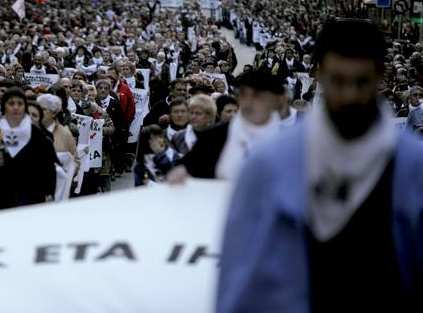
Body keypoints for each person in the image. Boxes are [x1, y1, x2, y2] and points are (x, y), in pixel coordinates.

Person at [217, 20, 423, 313]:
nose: (350, 95)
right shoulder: (268, 164)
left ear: (380, 77)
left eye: (361, 82)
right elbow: (241, 280)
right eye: (338, 81)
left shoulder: (414, 167)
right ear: (319, 76)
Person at [173, 70, 284, 181]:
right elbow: (185, 169)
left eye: (257, 95)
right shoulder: (213, 137)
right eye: (243, 95)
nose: (250, 102)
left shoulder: (290, 138)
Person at [0, 87, 57, 210]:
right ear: (4, 106)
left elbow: (48, 166)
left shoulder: (37, 133)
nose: (16, 107)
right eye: (11, 103)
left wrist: (49, 193)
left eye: (20, 103)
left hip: (29, 194)